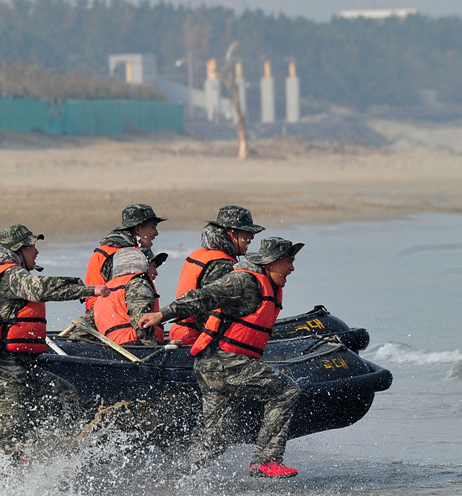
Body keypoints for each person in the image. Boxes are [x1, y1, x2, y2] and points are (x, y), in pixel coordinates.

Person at [139, 236, 304, 478]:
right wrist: (160, 316)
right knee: (286, 391)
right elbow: (202, 296)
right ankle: (266, 461)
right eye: (288, 262)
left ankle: (172, 481)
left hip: (212, 365)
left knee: (216, 438)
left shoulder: (265, 283)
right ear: (271, 263)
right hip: (224, 362)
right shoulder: (244, 281)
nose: (292, 268)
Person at [0, 224, 109, 456]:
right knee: (9, 447)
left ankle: (57, 457)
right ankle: (0, 484)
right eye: (32, 246)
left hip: (21, 367)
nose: (37, 251)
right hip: (2, 371)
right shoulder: (11, 275)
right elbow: (42, 288)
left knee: (66, 396)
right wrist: (89, 290)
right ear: (18, 251)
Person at [168, 204, 264, 345]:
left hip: (180, 332)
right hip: (196, 339)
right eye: (247, 233)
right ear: (232, 233)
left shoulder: (202, 254)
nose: (251, 238)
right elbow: (208, 309)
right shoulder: (222, 264)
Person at [83, 203, 165, 296]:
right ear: (137, 229)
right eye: (153, 227)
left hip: (97, 308)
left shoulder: (106, 250)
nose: (156, 233)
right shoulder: (128, 257)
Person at [92, 247, 169, 345]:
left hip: (114, 348)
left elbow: (87, 325)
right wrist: (151, 348)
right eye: (153, 266)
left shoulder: (106, 289)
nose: (156, 272)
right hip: (135, 345)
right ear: (141, 265)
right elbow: (141, 321)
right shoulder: (138, 283)